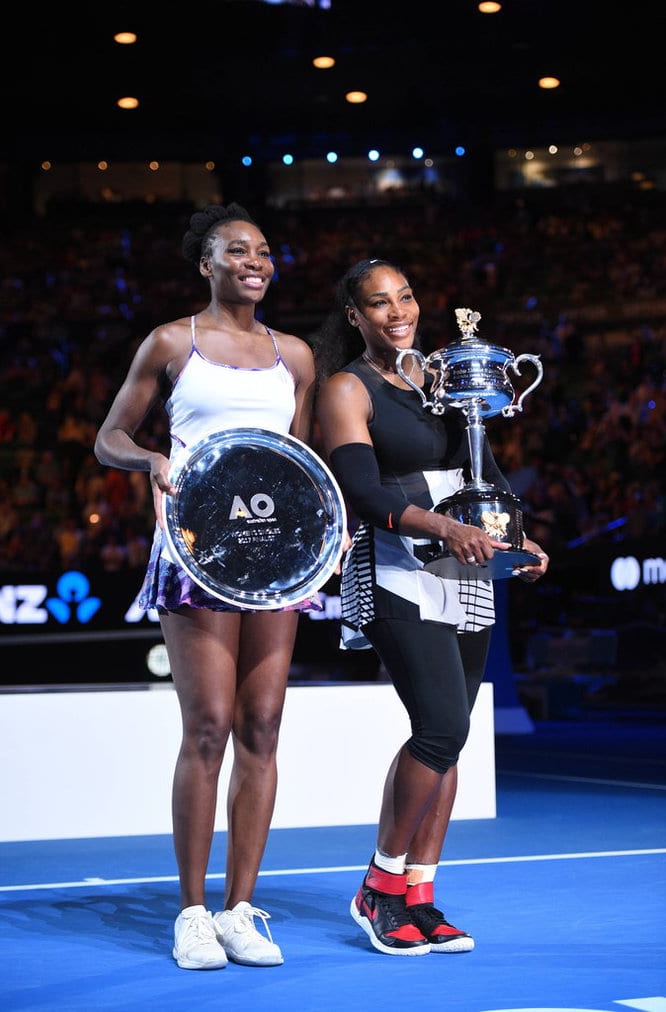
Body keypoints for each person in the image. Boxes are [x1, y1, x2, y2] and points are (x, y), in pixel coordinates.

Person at [94, 202, 316, 970]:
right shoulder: (171, 342)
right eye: (237, 251)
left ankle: (239, 911)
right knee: (209, 726)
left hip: (274, 559)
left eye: (263, 251)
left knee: (262, 725)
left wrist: (322, 535)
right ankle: (191, 913)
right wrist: (151, 460)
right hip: (197, 553)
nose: (255, 262)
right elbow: (109, 437)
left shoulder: (296, 355)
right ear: (206, 264)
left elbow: (300, 463)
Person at [313, 258, 549, 957]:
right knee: (441, 728)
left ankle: (419, 894)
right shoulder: (346, 388)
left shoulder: (440, 378)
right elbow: (363, 492)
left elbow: (482, 470)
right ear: (355, 316)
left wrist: (519, 536)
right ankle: (378, 887)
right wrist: (445, 527)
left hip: (465, 566)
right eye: (379, 303)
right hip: (397, 569)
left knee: (450, 738)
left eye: (406, 297)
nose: (398, 312)